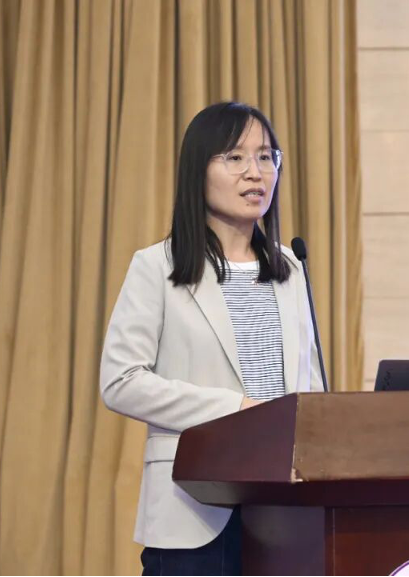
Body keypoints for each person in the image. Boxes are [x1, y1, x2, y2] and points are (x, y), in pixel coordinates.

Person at [100, 101, 325, 576]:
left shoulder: (291, 267)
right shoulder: (158, 267)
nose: (255, 172)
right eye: (234, 157)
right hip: (194, 509)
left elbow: (309, 387)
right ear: (197, 170)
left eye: (265, 157)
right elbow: (121, 381)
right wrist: (236, 410)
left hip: (286, 512)